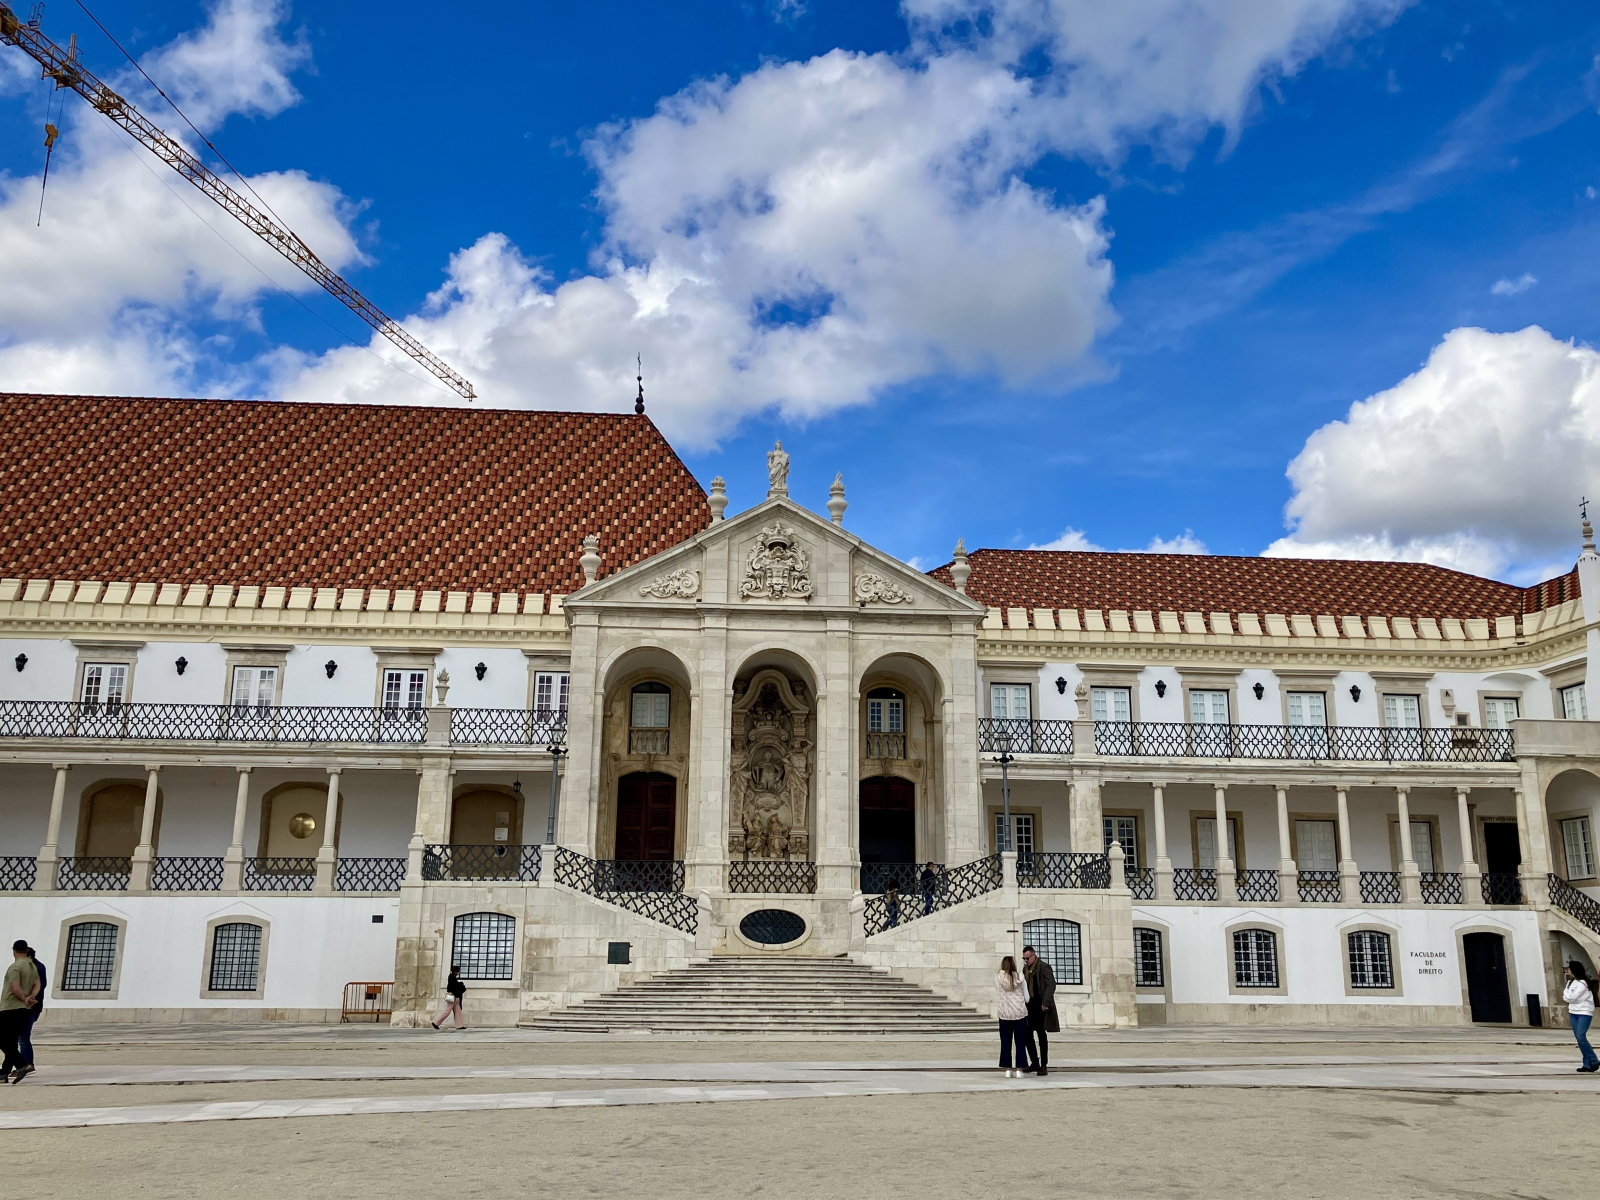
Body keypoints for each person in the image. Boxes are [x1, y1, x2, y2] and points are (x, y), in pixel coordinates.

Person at [0, 939, 39, 1083]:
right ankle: (3, 1073)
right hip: (23, 1009)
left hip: (10, 1007)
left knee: (3, 1040)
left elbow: (14, 987)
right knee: (11, 1041)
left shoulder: (15, 967)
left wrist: (23, 998)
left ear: (14, 951)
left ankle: (22, 1065)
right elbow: (37, 984)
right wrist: (30, 997)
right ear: (26, 950)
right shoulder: (31, 965)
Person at [1021, 944, 1058, 1077]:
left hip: (1041, 1005)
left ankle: (1043, 1064)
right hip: (1029, 1005)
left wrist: (1045, 1002)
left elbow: (1051, 985)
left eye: (1027, 958)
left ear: (1034, 955)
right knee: (1027, 1034)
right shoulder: (1025, 969)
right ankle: (1034, 1062)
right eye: (1024, 958)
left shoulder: (1044, 967)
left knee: (1041, 1035)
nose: (1026, 961)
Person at [994, 954, 1032, 1078]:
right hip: (1019, 1013)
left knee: (1005, 1042)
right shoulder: (1021, 978)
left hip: (1004, 1013)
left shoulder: (998, 978)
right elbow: (1026, 998)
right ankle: (1019, 1069)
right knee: (1020, 1042)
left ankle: (1008, 1069)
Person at [1564, 961, 1598, 1073]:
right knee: (1579, 1039)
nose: (1567, 970)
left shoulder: (1583, 983)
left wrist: (1568, 996)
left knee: (1581, 1036)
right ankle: (1587, 1064)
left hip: (1584, 1012)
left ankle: (1594, 1060)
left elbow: (1574, 997)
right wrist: (1568, 996)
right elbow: (1566, 996)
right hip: (1573, 1012)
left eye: (1569, 968)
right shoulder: (1570, 982)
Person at [17, 944, 44, 1074]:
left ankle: (26, 1064)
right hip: (33, 1006)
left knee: (23, 1037)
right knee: (23, 1036)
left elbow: (37, 987)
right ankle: (27, 1063)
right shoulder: (37, 967)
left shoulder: (35, 968)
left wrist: (27, 999)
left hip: (30, 1006)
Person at [432, 965, 467, 1030]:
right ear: (456, 971)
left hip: (454, 995)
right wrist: (459, 988)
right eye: (459, 971)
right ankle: (436, 1022)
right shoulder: (452, 978)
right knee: (448, 1011)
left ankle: (459, 1025)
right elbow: (454, 988)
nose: (459, 972)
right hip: (453, 996)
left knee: (458, 1010)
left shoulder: (452, 977)